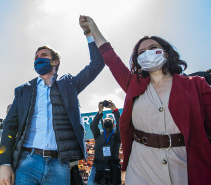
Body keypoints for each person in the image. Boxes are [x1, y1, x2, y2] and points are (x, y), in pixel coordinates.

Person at [84, 15, 211, 185]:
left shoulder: (197, 85)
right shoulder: (132, 84)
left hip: (185, 165)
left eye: (153, 48)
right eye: (141, 52)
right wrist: (93, 27)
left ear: (166, 52)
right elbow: (110, 57)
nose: (147, 53)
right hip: (141, 166)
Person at [0, 15, 105, 185]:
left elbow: (97, 64)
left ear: (55, 61)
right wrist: (5, 163)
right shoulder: (23, 90)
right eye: (36, 57)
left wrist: (89, 34)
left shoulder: (69, 84)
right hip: (27, 162)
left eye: (43, 55)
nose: (38, 58)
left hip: (60, 165)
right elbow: (9, 126)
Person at [87, 101, 121, 185]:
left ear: (113, 125)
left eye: (110, 119)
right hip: (97, 167)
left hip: (112, 169)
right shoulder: (98, 134)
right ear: (102, 125)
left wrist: (115, 110)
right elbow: (93, 126)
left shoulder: (116, 136)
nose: (107, 120)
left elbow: (120, 124)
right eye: (106, 119)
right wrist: (99, 112)